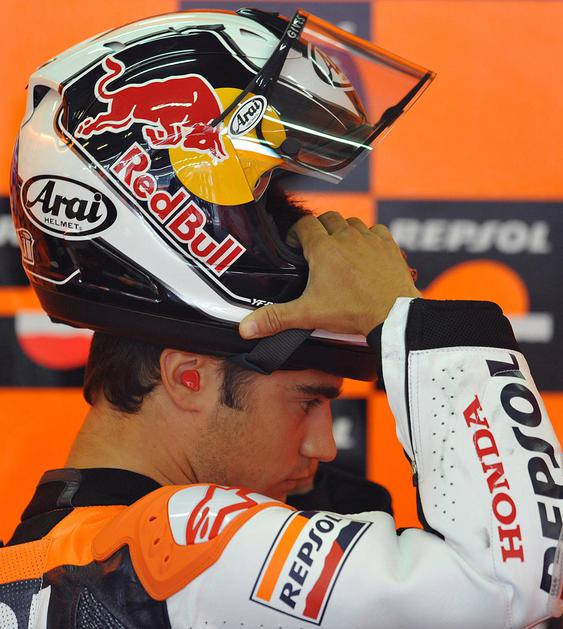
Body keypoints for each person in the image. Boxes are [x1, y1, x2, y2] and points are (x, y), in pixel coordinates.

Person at [2, 7, 561, 628]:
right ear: (188, 377)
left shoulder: (47, 565)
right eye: (307, 400)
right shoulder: (180, 549)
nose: (326, 444)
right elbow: (512, 585)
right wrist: (414, 320)